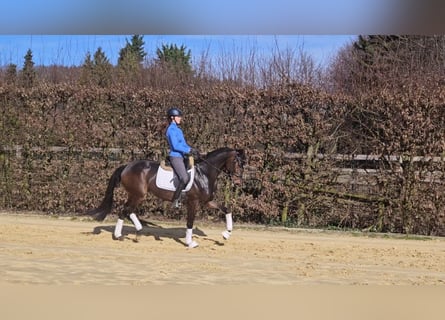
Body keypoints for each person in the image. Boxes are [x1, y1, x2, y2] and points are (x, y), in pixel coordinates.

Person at [165, 107, 200, 206]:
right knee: (184, 178)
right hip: (175, 157)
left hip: (183, 156)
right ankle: (175, 200)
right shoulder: (171, 130)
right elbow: (176, 146)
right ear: (172, 118)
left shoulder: (178, 130)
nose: (180, 118)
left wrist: (192, 150)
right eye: (178, 117)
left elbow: (183, 144)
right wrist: (189, 150)